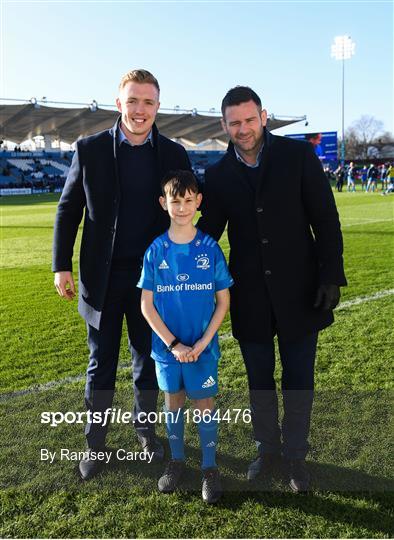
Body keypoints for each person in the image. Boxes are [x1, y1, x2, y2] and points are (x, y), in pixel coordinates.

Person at [198, 86, 347, 492]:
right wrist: (182, 269)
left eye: (249, 120)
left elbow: (326, 219)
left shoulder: (297, 157)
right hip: (249, 296)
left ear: (263, 116)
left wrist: (331, 274)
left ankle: (296, 456)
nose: (243, 129)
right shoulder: (217, 175)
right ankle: (267, 449)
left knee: (300, 378)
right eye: (234, 123)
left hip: (302, 291)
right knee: (258, 379)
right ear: (223, 125)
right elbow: (208, 236)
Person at [52, 69, 191, 480]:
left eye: (148, 102)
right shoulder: (89, 149)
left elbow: (188, 210)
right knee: (101, 362)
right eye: (133, 101)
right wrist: (61, 264)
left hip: (152, 280)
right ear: (119, 104)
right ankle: (95, 443)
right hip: (102, 278)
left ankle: (145, 430)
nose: (140, 110)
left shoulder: (173, 153)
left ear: (157, 106)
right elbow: (68, 209)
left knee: (147, 361)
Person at [137, 170, 233, 503]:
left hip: (203, 350)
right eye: (175, 201)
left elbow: (223, 301)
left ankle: (209, 467)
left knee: (204, 406)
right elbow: (146, 305)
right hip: (169, 352)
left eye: (188, 200)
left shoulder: (210, 248)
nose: (182, 207)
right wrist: (175, 345)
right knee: (173, 403)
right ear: (164, 203)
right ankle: (177, 462)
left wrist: (203, 343)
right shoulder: (155, 250)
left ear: (198, 202)